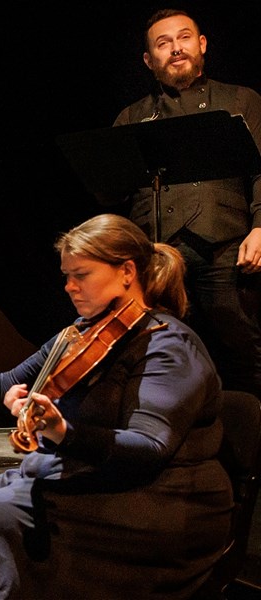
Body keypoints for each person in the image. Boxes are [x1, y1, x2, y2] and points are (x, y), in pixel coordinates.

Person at [0, 214, 232, 598]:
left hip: (159, 503)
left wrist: (63, 433)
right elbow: (9, 384)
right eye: (66, 275)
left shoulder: (168, 346)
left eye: (81, 275)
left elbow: (150, 447)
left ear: (127, 271)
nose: (69, 287)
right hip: (85, 477)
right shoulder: (84, 332)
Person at [105, 8, 261, 398]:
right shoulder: (132, 116)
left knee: (241, 354)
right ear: (148, 60)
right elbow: (110, 193)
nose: (176, 48)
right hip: (156, 256)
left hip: (226, 249)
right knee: (158, 359)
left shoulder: (240, 99)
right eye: (163, 43)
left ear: (202, 44)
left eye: (184, 38)